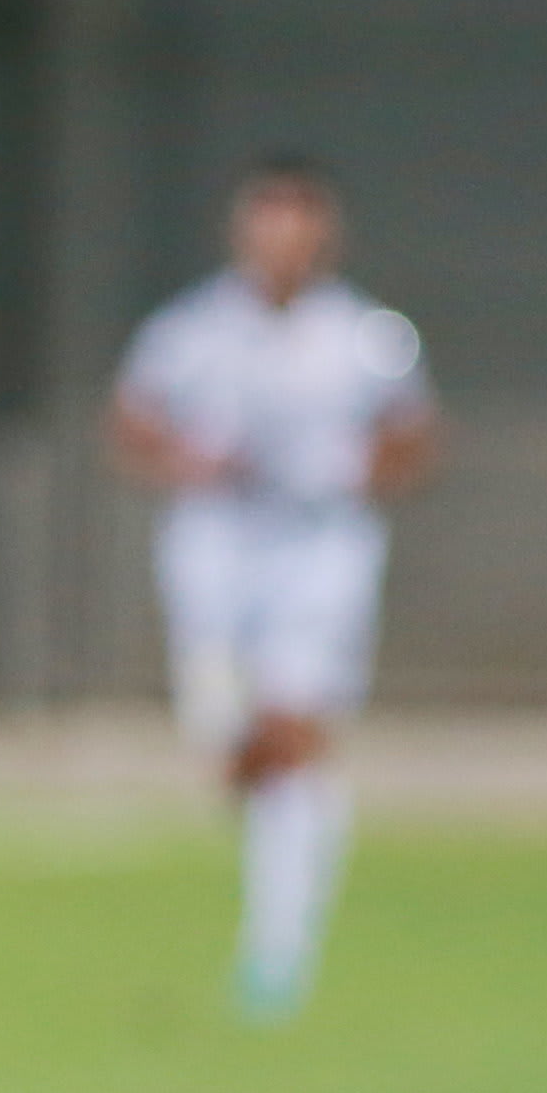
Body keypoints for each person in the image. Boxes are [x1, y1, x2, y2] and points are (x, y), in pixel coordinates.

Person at [106, 159, 441, 1020]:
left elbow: (413, 436)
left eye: (300, 225)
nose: (283, 243)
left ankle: (277, 955)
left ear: (324, 235)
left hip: (320, 552)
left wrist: (359, 469)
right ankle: (284, 826)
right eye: (268, 223)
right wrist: (184, 458)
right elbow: (132, 420)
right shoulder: (191, 329)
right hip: (213, 550)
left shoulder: (367, 336)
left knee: (291, 729)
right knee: (234, 742)